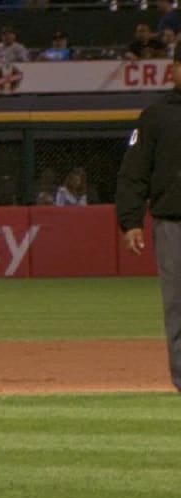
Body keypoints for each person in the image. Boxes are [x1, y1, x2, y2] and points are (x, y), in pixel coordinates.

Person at [116, 49, 181, 393]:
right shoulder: (156, 116)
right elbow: (134, 173)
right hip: (173, 224)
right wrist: (131, 221)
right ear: (173, 70)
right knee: (178, 305)